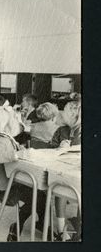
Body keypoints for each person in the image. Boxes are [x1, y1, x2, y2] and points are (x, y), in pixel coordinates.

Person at [0, 107, 47, 241]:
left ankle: (39, 224)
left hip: (1, 187)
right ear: (7, 126)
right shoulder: (3, 141)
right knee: (42, 197)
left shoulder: (1, 137)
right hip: (7, 191)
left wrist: (19, 150)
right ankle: (20, 226)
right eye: (16, 121)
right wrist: (13, 155)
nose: (20, 124)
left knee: (38, 195)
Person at [49, 99, 81, 241]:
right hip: (64, 172)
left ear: (74, 115)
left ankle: (79, 225)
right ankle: (61, 230)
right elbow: (51, 149)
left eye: (65, 112)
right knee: (59, 186)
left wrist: (69, 151)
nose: (61, 114)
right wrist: (58, 149)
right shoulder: (62, 129)